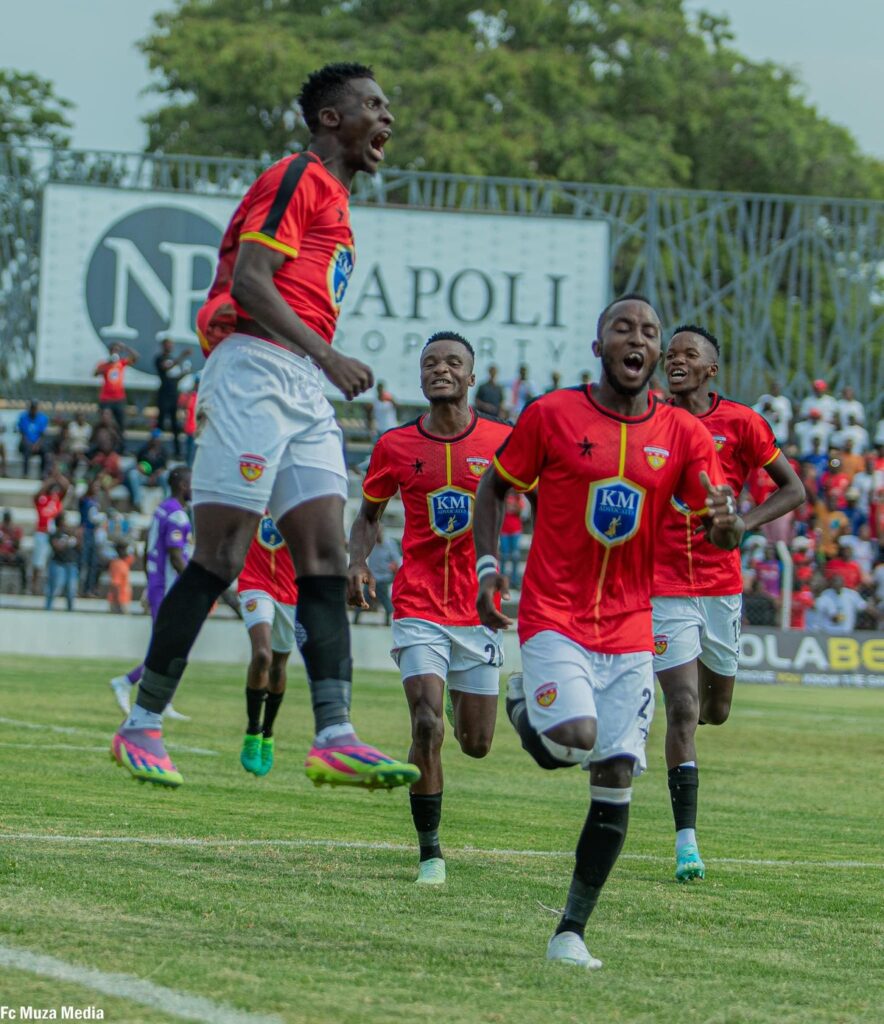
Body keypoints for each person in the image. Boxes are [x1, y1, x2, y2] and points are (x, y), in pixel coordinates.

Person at [111, 62, 418, 792]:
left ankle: (334, 734)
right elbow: (250, 283)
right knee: (221, 554)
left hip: (305, 385)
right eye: (374, 105)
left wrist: (319, 363)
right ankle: (142, 722)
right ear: (332, 119)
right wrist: (326, 351)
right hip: (254, 370)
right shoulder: (295, 176)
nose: (388, 120)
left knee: (325, 553)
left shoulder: (337, 203)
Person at [474, 295, 741, 968]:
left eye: (649, 331)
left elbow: (714, 516)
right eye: (623, 327)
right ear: (600, 347)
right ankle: (526, 707)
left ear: (654, 354)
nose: (639, 338)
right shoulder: (552, 416)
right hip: (555, 614)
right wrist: (485, 569)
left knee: (617, 773)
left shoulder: (685, 434)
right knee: (575, 740)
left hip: (630, 623)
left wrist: (727, 523)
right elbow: (495, 487)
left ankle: (571, 931)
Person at [348, 331, 518, 884]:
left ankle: (455, 701)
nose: (440, 370)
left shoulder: (502, 441)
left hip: (478, 610)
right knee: (425, 726)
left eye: (452, 363)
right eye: (430, 363)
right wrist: (357, 562)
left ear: (472, 377)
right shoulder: (395, 446)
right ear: (421, 377)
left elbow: (549, 501)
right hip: (418, 603)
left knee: (476, 744)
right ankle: (431, 855)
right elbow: (369, 516)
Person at [650, 325, 804, 882]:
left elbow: (793, 489)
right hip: (663, 585)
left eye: (688, 354)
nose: (676, 361)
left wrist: (745, 524)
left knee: (716, 710)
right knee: (684, 708)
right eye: (671, 355)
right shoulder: (651, 420)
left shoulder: (742, 423)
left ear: (711, 369)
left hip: (721, 585)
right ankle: (686, 843)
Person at [109, 467, 194, 722]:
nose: (194, 488)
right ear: (181, 485)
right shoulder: (177, 516)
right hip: (169, 589)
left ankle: (164, 701)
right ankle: (125, 682)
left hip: (160, 586)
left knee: (174, 648)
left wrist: (149, 583)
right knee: (166, 649)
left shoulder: (162, 508)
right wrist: (196, 583)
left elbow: (149, 548)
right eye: (192, 483)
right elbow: (176, 557)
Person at [237, 513, 299, 777]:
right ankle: (252, 731)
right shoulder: (254, 493)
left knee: (277, 667)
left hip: (291, 591)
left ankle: (268, 733)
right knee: (262, 655)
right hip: (255, 584)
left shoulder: (300, 498)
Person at [31, 467, 70, 595]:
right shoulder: (42, 500)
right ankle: (34, 588)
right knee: (38, 562)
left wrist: (58, 477)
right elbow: (36, 495)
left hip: (53, 534)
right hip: (42, 532)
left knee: (52, 561)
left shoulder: (56, 500)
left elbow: (66, 488)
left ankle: (51, 589)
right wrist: (50, 480)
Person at [352, 523, 400, 625]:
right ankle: (355, 620)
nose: (376, 535)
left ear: (382, 532)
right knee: (363, 598)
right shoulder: (370, 544)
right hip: (372, 577)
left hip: (384, 577)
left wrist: (393, 567)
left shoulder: (390, 545)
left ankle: (388, 620)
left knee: (384, 599)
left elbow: (396, 562)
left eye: (378, 533)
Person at [155, 338, 189, 457]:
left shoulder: (173, 360)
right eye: (168, 345)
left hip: (173, 396)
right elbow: (166, 368)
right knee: (160, 424)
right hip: (163, 395)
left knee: (175, 425)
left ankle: (177, 451)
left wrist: (184, 373)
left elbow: (174, 378)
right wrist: (182, 356)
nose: (170, 347)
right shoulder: (160, 358)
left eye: (171, 345)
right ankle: (155, 448)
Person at [94, 342, 138, 435]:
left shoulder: (121, 363)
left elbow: (136, 357)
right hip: (106, 399)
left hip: (119, 399)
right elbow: (95, 373)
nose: (115, 352)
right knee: (105, 422)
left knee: (121, 424)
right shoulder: (104, 364)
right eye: (113, 350)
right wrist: (108, 365)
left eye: (117, 350)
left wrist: (125, 347)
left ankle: (120, 445)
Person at [44, 510, 81, 611]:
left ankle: (70, 610)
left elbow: (78, 545)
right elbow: (57, 546)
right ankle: (48, 608)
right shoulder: (54, 534)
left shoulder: (70, 533)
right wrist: (67, 541)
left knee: (71, 589)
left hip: (70, 563)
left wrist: (74, 536)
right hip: (58, 563)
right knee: (54, 587)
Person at [125, 433, 169, 513]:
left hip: (157, 478)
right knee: (133, 474)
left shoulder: (163, 452)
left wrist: (155, 476)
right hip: (144, 476)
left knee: (166, 475)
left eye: (157, 440)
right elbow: (137, 465)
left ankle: (167, 500)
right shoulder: (143, 450)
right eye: (154, 440)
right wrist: (142, 470)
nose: (155, 442)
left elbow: (164, 468)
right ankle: (137, 502)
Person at [17, 401, 49, 479]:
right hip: (26, 443)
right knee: (26, 450)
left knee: (45, 452)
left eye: (35, 408)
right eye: (32, 408)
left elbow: (42, 435)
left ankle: (43, 474)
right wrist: (30, 444)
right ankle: (25, 474)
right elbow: (23, 434)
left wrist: (37, 445)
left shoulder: (42, 418)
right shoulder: (23, 417)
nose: (33, 410)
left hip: (37, 444)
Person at [0, 509, 26, 592]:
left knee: (23, 560)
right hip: (2, 555)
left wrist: (12, 533)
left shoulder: (16, 529)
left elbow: (17, 546)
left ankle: (24, 587)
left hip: (13, 554)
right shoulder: (0, 529)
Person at [107, 542, 135, 613]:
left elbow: (133, 559)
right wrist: (118, 603)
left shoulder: (123, 562)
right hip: (120, 602)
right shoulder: (118, 565)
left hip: (124, 600)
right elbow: (115, 585)